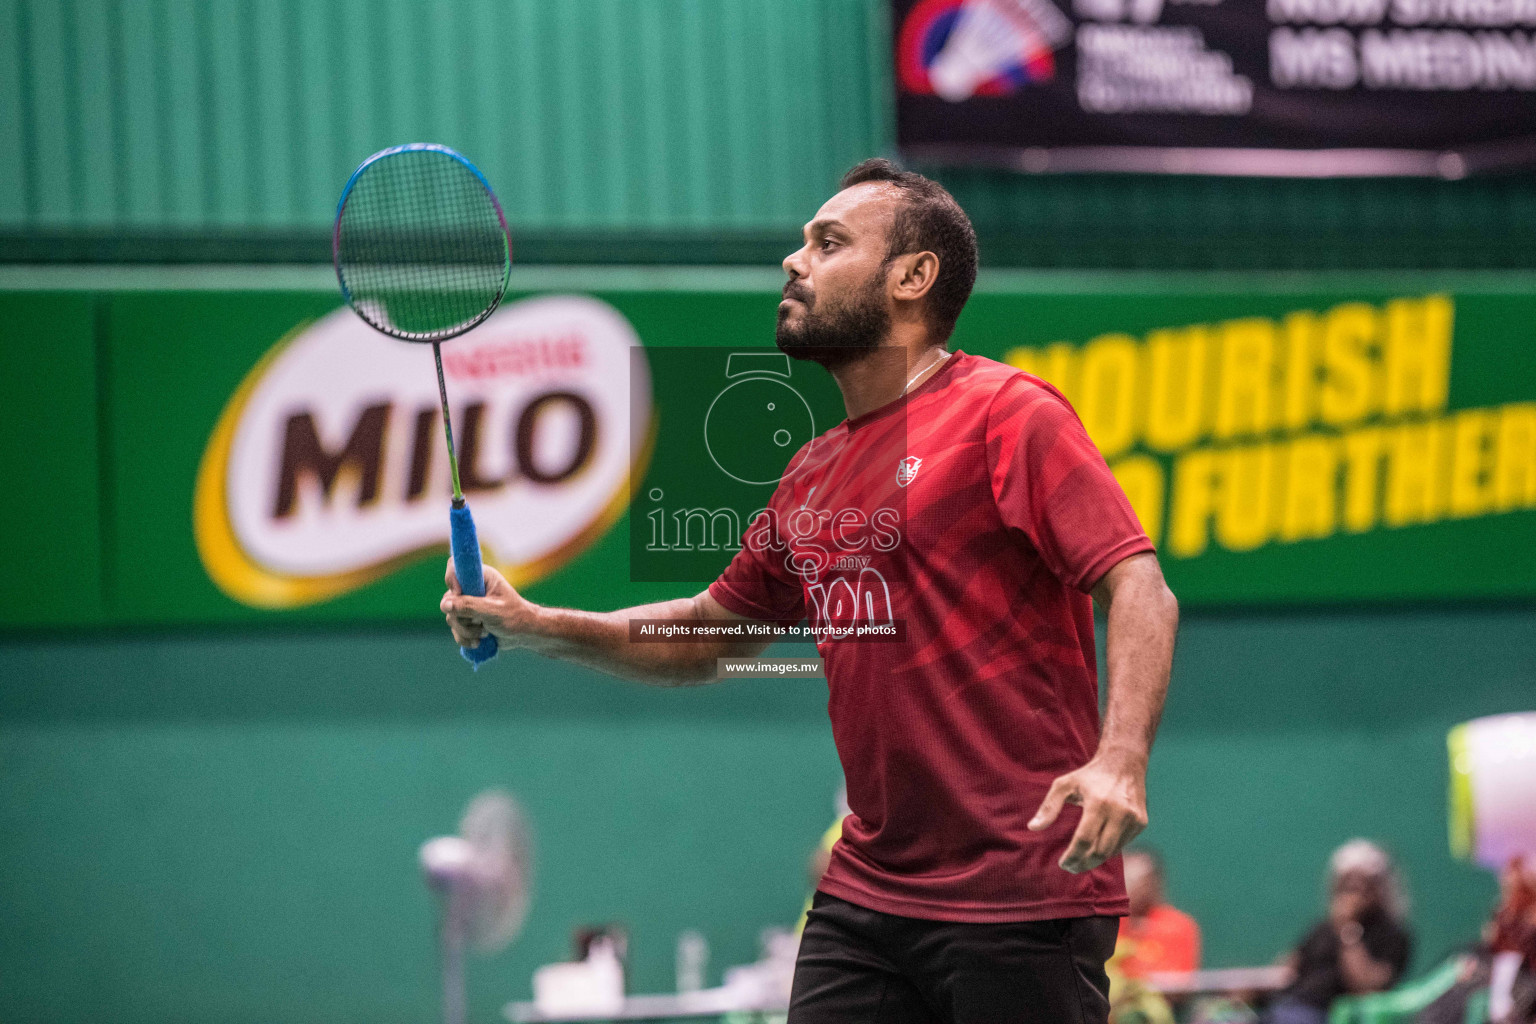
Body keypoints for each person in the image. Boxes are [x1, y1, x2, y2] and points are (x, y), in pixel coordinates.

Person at [441, 158, 1180, 1024]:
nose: (793, 262)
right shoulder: (814, 473)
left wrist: (1122, 759)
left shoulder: (1006, 414)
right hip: (869, 895)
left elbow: (1138, 583)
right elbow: (709, 632)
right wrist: (535, 624)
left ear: (913, 276)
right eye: (799, 244)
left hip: (1017, 892)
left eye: (827, 243)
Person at [1264, 840, 1414, 1024]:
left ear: (1379, 887)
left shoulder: (1392, 934)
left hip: (1329, 1014)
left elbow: (1367, 987)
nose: (1350, 895)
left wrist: (1348, 930)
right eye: (1345, 884)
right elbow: (1286, 970)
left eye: (1359, 886)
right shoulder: (1323, 928)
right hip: (1286, 1006)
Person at [1116, 848, 1201, 978]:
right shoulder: (1105, 924)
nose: (1130, 885)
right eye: (1125, 877)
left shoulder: (1178, 926)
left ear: (1153, 883)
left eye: (1136, 879)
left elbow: (1180, 985)